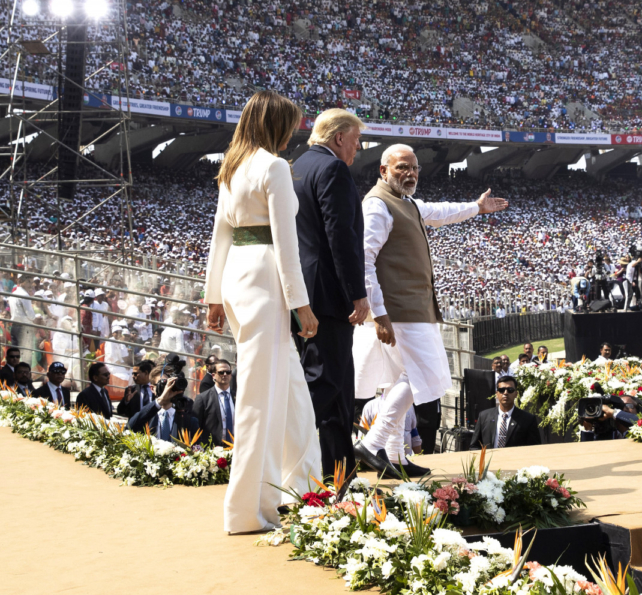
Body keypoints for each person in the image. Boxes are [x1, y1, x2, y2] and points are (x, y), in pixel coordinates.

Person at [204, 91, 322, 535]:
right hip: (267, 281)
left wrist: (214, 295)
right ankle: (248, 510)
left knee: (292, 393)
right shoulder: (273, 166)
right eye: (290, 124)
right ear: (276, 124)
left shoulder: (231, 167)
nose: (294, 131)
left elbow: (221, 235)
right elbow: (286, 243)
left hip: (238, 277)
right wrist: (301, 304)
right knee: (259, 399)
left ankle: (306, 488)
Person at [354, 143, 509, 477]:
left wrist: (476, 208)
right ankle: (373, 443)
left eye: (414, 168)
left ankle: (395, 457)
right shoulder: (377, 205)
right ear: (383, 171)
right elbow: (363, 261)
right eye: (401, 168)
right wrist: (378, 312)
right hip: (399, 311)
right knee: (427, 375)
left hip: (408, 308)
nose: (410, 174)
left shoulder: (406, 202)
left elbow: (439, 212)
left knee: (398, 379)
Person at [291, 108, 370, 481]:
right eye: (356, 140)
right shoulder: (333, 169)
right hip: (327, 294)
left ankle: (341, 474)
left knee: (340, 387)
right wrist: (357, 293)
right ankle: (284, 449)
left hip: (304, 291)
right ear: (339, 137)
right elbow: (342, 237)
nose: (358, 148)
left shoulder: (298, 166)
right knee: (324, 381)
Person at [469, 376, 541, 449]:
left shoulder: (528, 419)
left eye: (510, 390)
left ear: (516, 394)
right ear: (497, 394)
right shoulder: (484, 416)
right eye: (501, 390)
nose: (505, 393)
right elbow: (474, 446)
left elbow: (535, 448)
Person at [126, 375, 199, 441]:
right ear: (152, 388)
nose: (167, 389)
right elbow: (130, 427)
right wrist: (159, 401)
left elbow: (196, 449)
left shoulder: (189, 422)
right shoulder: (146, 416)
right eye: (163, 385)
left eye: (170, 385)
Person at [192, 359, 237, 447]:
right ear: (213, 375)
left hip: (234, 449)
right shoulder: (203, 398)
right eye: (221, 372)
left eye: (228, 372)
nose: (225, 375)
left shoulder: (237, 397)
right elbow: (195, 427)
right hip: (212, 450)